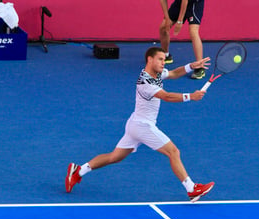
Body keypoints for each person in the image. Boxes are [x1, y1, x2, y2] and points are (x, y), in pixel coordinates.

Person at [65, 47, 214, 202]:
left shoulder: (156, 74)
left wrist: (192, 66)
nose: (163, 63)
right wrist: (191, 96)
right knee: (173, 152)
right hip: (143, 126)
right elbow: (167, 97)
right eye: (160, 59)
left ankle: (78, 171)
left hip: (134, 124)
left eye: (164, 59)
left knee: (114, 157)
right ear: (150, 59)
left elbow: (174, 73)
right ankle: (192, 189)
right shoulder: (145, 82)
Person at [155, 0, 206, 79]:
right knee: (163, 27)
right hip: (179, 2)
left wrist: (179, 22)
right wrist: (167, 18)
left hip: (194, 2)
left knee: (193, 32)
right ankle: (166, 55)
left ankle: (199, 66)